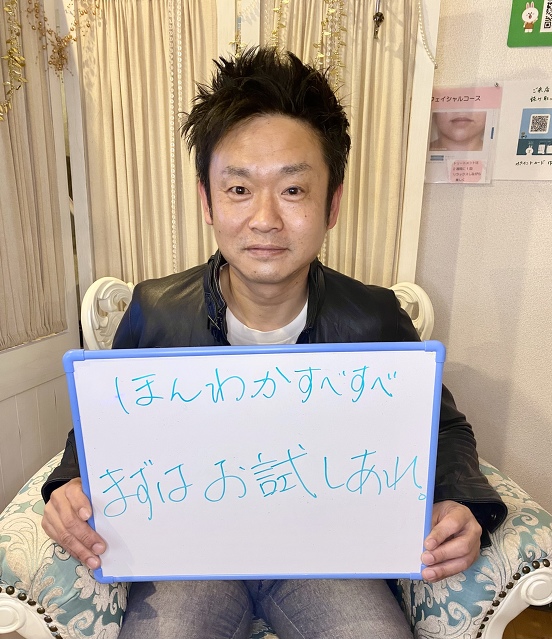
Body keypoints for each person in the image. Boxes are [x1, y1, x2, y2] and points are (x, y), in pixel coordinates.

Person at [41, 47, 506, 639]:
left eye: (292, 190)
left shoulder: (375, 318)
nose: (264, 219)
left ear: (332, 204)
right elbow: (102, 426)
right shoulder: (155, 310)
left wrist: (462, 503)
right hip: (191, 560)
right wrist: (68, 485)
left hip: (326, 559)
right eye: (239, 189)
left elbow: (444, 428)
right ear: (208, 202)